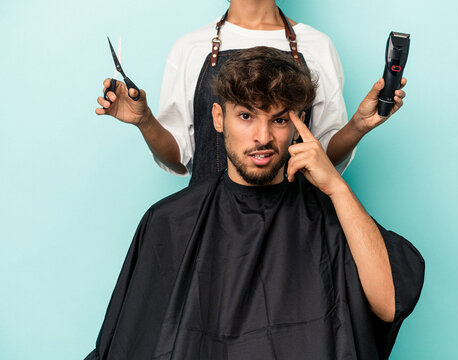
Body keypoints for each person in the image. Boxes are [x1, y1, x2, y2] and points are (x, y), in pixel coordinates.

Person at [86, 47, 423, 360]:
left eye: (278, 120)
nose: (262, 137)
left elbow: (389, 303)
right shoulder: (170, 222)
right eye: (246, 116)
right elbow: (129, 341)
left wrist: (336, 187)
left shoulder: (330, 217)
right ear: (218, 118)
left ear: (299, 124)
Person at [95, 0, 406, 184]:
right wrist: (145, 120)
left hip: (294, 233)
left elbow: (321, 156)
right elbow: (179, 158)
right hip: (208, 228)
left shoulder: (317, 46)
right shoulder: (190, 47)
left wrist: (358, 126)